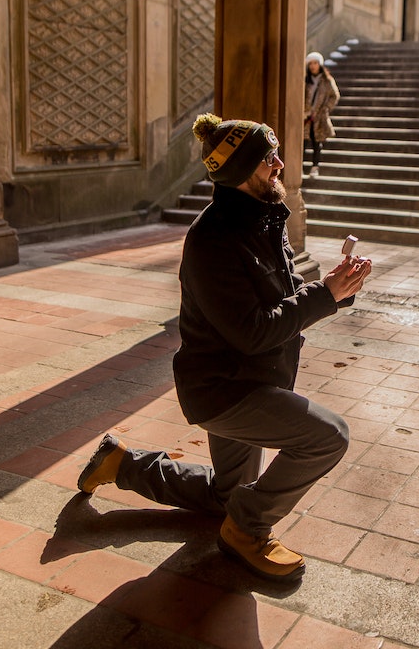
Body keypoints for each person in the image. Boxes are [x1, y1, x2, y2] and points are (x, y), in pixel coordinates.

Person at [76, 114, 373, 582]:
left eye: (274, 152)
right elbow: (252, 332)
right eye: (266, 158)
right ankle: (247, 529)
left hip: (257, 380)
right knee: (328, 436)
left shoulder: (264, 216)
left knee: (225, 494)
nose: (279, 163)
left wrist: (338, 285)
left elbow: (289, 293)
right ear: (238, 174)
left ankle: (122, 464)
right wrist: (326, 295)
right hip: (226, 391)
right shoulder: (212, 241)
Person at [303, 52, 339, 179]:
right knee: (302, 142)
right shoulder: (305, 80)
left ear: (320, 64)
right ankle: (299, 168)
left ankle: (315, 167)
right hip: (305, 116)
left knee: (317, 142)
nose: (313, 66)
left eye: (315, 63)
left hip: (319, 116)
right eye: (311, 63)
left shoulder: (327, 80)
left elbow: (334, 96)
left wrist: (325, 109)